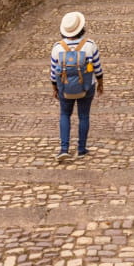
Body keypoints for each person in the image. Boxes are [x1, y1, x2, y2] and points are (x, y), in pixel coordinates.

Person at [49, 10, 103, 161]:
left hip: (65, 88)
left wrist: (55, 88)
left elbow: (53, 72)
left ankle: (64, 149)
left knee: (65, 114)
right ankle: (81, 149)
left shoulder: (57, 47)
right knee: (83, 116)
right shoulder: (90, 45)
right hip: (86, 87)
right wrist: (100, 84)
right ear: (82, 28)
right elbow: (98, 68)